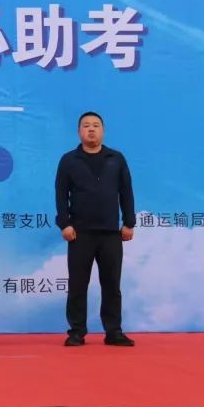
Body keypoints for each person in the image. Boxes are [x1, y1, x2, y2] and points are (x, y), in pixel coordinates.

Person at [55, 111, 136, 347]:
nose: (91, 129)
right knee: (78, 284)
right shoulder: (69, 160)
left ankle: (114, 331)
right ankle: (76, 331)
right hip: (80, 233)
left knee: (111, 284)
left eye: (96, 125)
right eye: (86, 125)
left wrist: (129, 222)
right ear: (79, 131)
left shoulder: (116, 158)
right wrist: (65, 223)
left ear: (103, 130)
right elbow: (61, 194)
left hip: (111, 233)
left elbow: (126, 192)